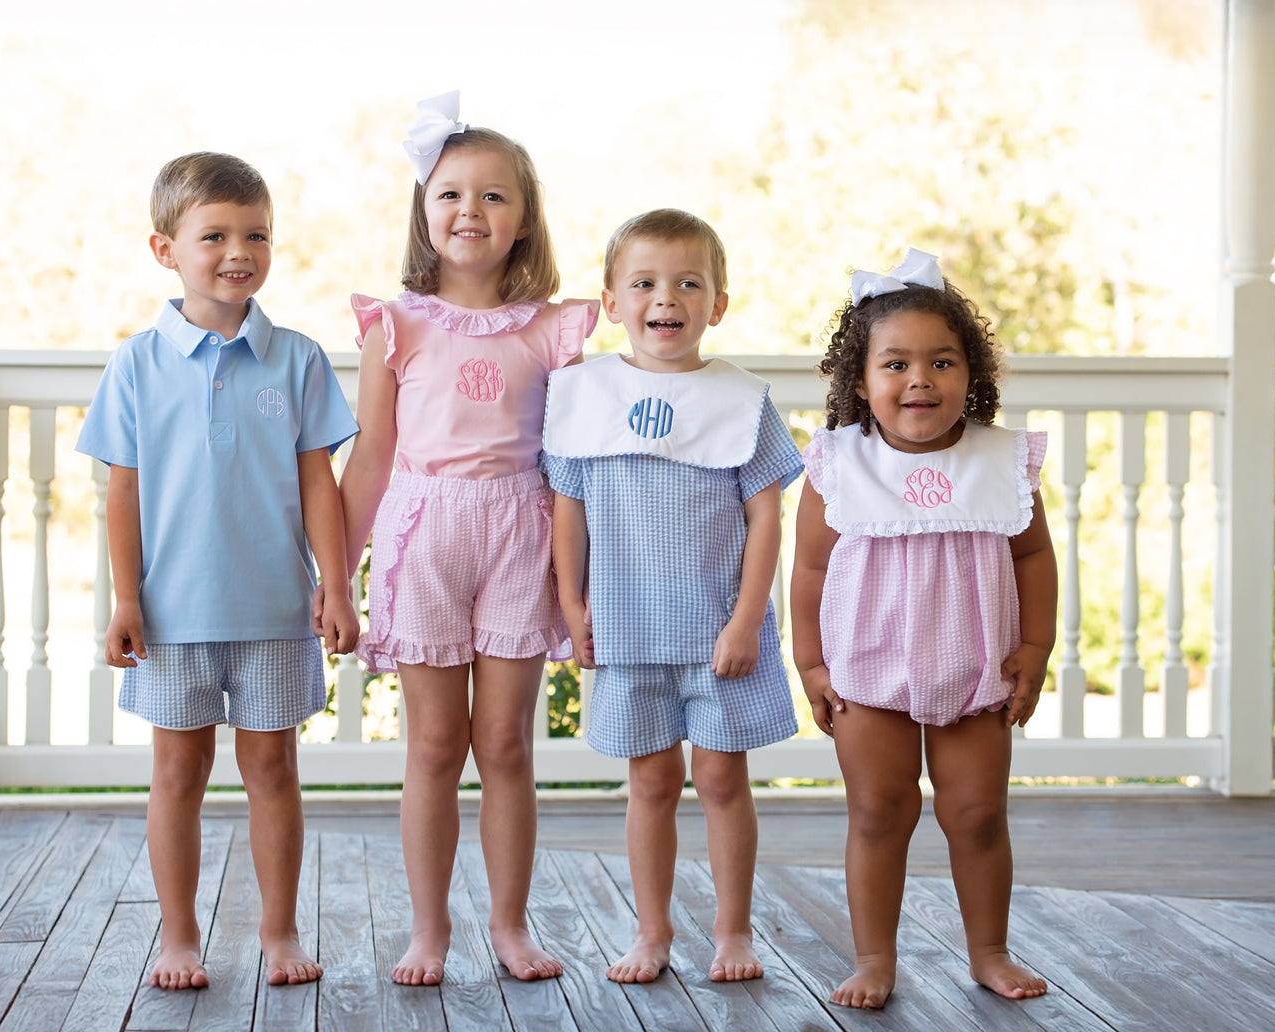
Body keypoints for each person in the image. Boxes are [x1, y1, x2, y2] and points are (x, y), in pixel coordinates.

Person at [76, 152, 359, 991]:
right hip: (171, 616)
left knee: (273, 771)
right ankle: (178, 938)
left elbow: (319, 484)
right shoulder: (135, 364)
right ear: (166, 249)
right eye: (216, 235)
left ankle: (279, 934)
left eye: (257, 234)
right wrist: (127, 599)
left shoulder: (297, 358)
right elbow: (119, 494)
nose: (239, 250)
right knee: (177, 776)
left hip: (275, 611)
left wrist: (336, 585)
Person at [333, 92, 596, 986]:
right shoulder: (393, 325)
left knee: (507, 744)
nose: (469, 212)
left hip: (520, 530)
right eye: (449, 193)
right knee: (433, 748)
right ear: (423, 208)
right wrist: (334, 575)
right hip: (425, 533)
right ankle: (427, 930)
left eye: (492, 196)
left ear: (523, 220)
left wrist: (578, 583)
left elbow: (577, 468)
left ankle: (511, 925)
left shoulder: (555, 331)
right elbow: (370, 459)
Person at [790, 248, 1055, 1008]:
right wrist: (811, 666)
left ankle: (989, 949)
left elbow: (1033, 557)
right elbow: (808, 572)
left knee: (975, 814)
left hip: (978, 668)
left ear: (970, 374)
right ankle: (874, 957)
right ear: (860, 380)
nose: (919, 380)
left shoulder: (999, 462)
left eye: (941, 361)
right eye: (895, 364)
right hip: (865, 673)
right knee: (879, 812)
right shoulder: (837, 466)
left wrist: (1033, 650)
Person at [543, 209, 803, 984]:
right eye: (646, 283)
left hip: (718, 632)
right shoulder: (584, 395)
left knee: (722, 780)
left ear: (716, 304)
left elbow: (765, 516)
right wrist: (572, 603)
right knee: (649, 782)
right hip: (626, 629)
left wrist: (748, 619)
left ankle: (732, 932)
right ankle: (650, 933)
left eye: (689, 283)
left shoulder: (740, 401)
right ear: (613, 300)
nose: (667, 298)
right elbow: (570, 507)